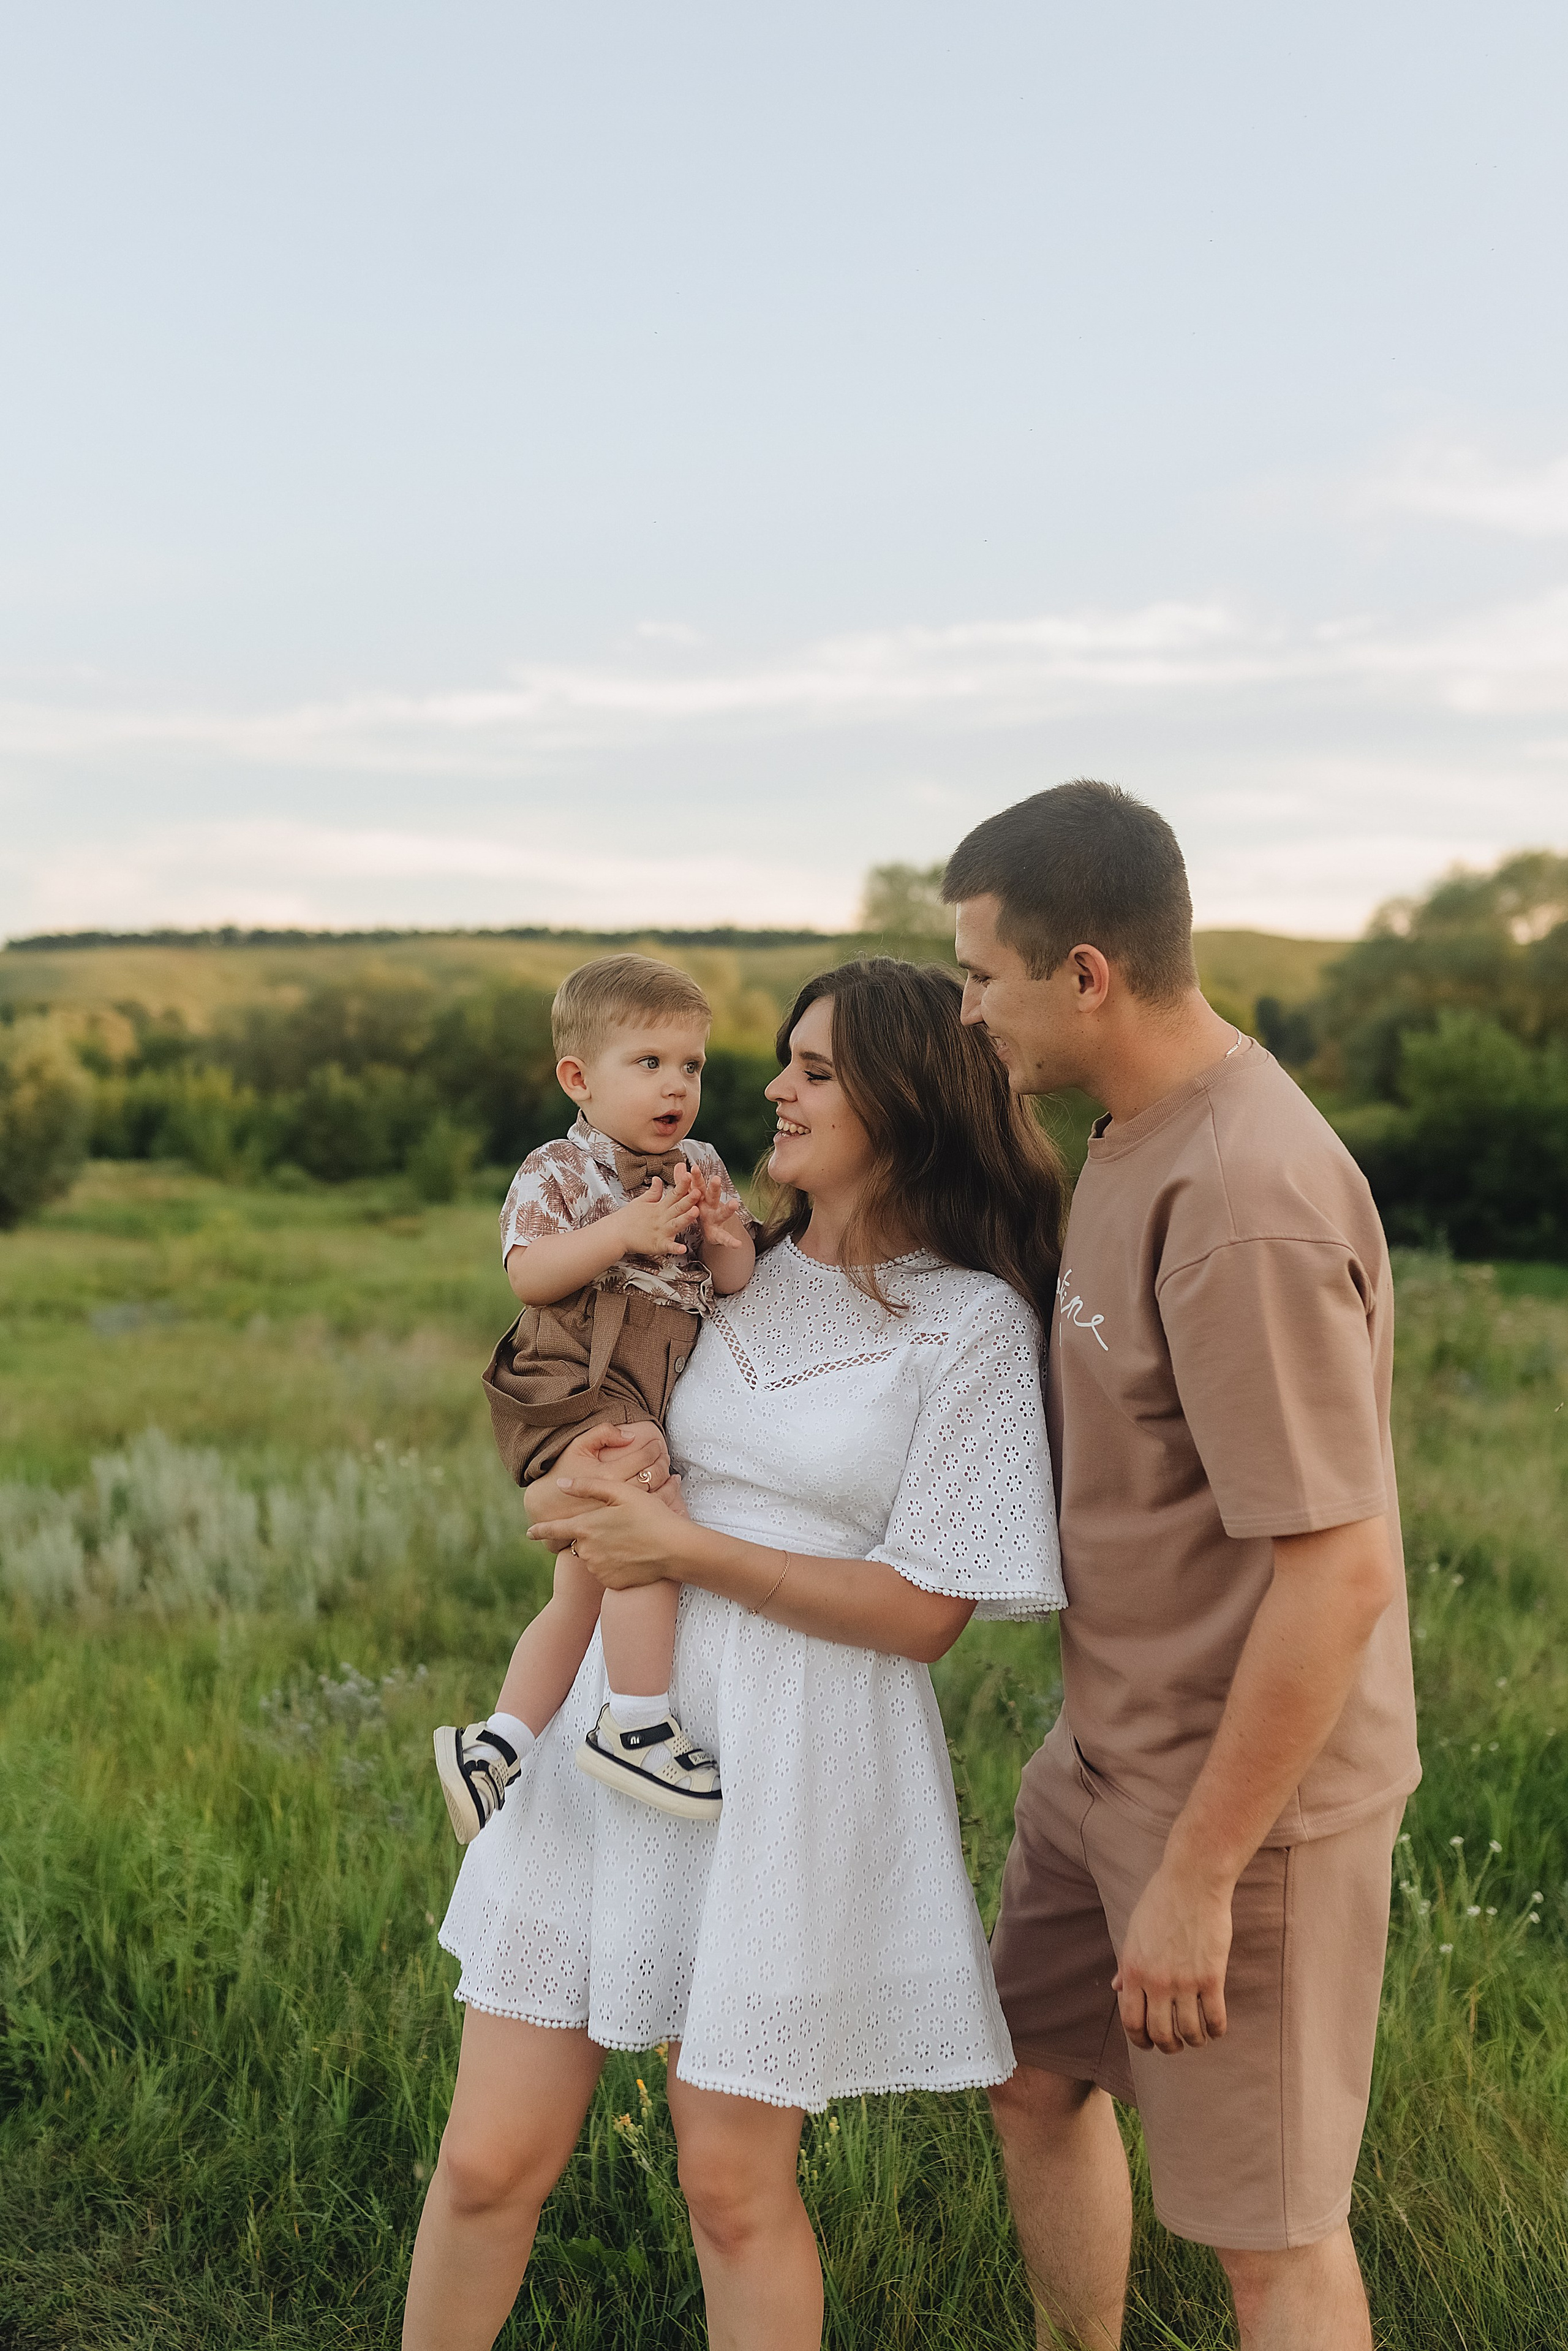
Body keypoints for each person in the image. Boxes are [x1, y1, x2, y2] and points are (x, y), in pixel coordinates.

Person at [402, 957, 1068, 2351]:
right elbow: (561, 1425)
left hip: (790, 1751)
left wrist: (686, 1551)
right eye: (781, 1058)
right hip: (617, 1725)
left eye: (815, 1068)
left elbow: (924, 1612)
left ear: (908, 1096)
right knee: (484, 2159)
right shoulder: (717, 1268)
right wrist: (579, 1491)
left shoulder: (971, 1325)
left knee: (729, 2184)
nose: (771, 1084)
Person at [945, 782, 1420, 2351]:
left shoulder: (1243, 1201)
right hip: (1102, 1762)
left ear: (1084, 972)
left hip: (1240, 1815)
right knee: (1028, 2079)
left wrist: (1200, 1876)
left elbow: (1337, 1576)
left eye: (979, 978)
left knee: (1268, 2241)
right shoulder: (1130, 1133)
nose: (966, 1013)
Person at [433, 954, 755, 1844]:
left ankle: (494, 1744)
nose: (676, 1085)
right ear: (579, 1077)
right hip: (580, 1373)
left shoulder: (701, 1164)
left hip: (643, 1380)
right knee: (653, 1514)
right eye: (648, 1063)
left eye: (691, 1065)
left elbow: (728, 1280)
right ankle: (638, 1720)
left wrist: (727, 1238)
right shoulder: (561, 1170)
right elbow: (531, 1274)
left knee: (580, 1588)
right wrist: (622, 1230)